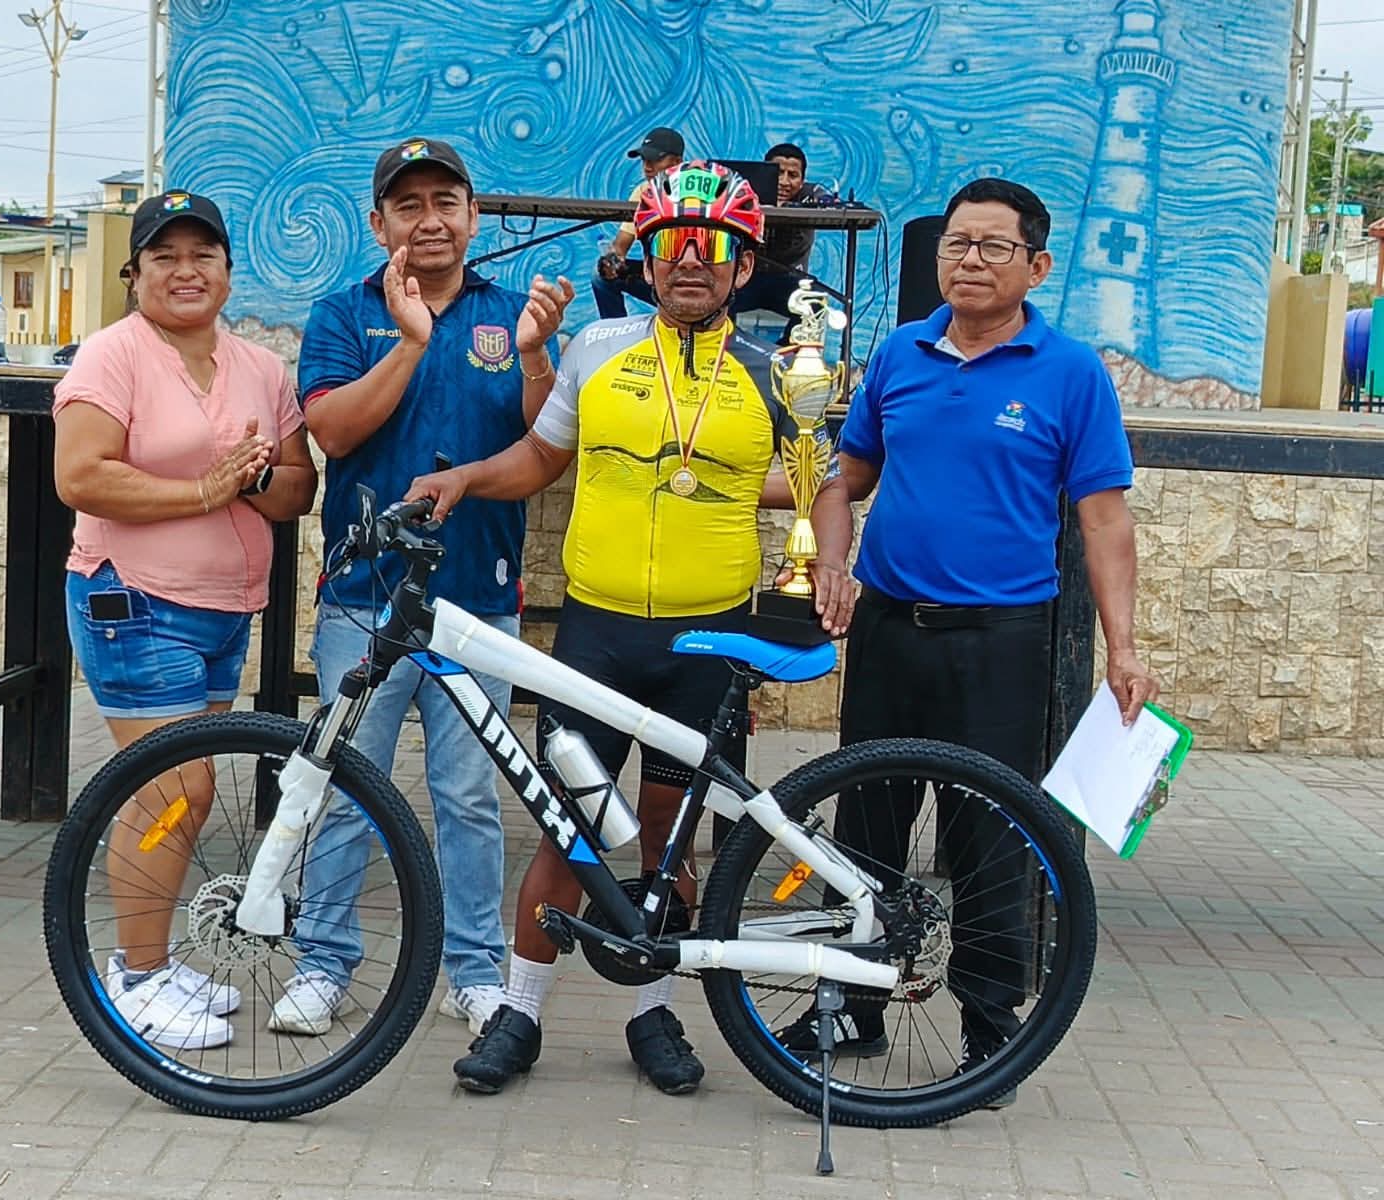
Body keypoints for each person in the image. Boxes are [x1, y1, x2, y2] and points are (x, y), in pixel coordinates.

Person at [406, 160, 854, 1098]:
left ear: (742, 267)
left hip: (708, 640)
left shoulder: (778, 373)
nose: (690, 261)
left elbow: (823, 482)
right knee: (567, 828)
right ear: (646, 262)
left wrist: (830, 560)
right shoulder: (596, 348)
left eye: (712, 247)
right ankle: (519, 1013)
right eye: (671, 245)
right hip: (598, 636)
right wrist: (466, 478)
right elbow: (540, 456)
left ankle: (653, 1013)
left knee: (667, 835)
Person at [801, 176, 1160, 1104]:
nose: (968, 260)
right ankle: (852, 1006)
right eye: (957, 243)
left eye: (994, 246)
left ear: (1036, 267)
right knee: (866, 826)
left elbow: (1105, 520)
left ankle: (990, 1028)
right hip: (890, 630)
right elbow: (844, 478)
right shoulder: (900, 354)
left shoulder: (1070, 372)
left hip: (1001, 643)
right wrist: (831, 560)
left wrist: (1124, 647)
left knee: (989, 836)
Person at [271, 137, 574, 1041]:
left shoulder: (511, 315)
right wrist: (411, 342)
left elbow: (544, 446)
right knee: (341, 784)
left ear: (474, 216)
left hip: (478, 600)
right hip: (365, 597)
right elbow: (333, 430)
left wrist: (537, 357)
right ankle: (325, 962)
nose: (430, 220)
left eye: (447, 201)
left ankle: (473, 970)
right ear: (380, 224)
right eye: (409, 205)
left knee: (470, 796)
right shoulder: (342, 313)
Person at [52, 189, 319, 1050]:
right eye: (163, 256)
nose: (185, 270)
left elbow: (296, 488)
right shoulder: (113, 356)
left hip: (221, 611)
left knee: (180, 790)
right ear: (134, 275)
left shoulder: (262, 368)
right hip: (132, 602)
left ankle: (153, 960)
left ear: (228, 271)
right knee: (176, 788)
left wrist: (250, 479)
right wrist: (203, 490)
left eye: (203, 254)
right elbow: (81, 475)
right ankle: (135, 979)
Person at [734, 142, 838, 332]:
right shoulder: (745, 195)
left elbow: (829, 200)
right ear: (765, 174)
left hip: (789, 281)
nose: (784, 181)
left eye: (793, 175)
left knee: (816, 301)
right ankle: (729, 343)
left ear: (802, 180)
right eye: (779, 173)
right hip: (748, 279)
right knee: (720, 294)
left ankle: (790, 347)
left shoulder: (810, 194)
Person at [591, 126, 685, 318]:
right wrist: (612, 261)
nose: (647, 167)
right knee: (600, 277)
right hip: (657, 274)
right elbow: (621, 246)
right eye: (644, 160)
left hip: (694, 274)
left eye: (655, 160)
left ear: (677, 162)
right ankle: (615, 332)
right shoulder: (643, 192)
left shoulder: (699, 193)